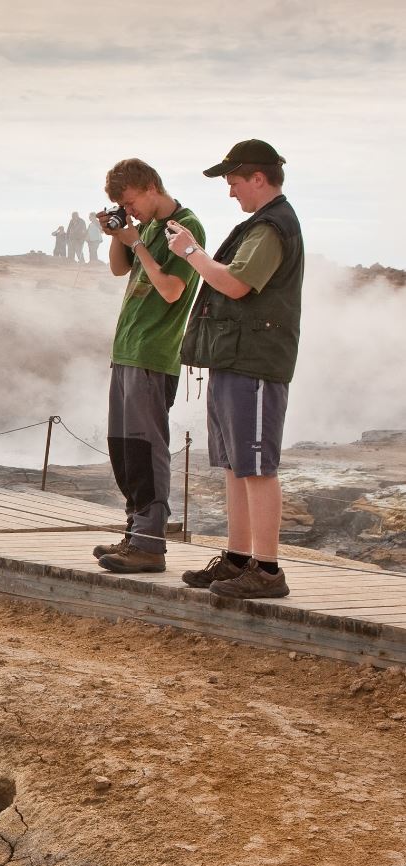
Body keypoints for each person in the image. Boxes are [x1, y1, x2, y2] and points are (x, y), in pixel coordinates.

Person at [168, 140, 304, 599]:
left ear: (258, 178)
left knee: (257, 466)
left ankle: (266, 571)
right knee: (234, 464)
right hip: (237, 358)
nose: (231, 193)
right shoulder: (262, 225)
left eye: (234, 182)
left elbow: (236, 284)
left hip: (256, 362)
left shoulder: (271, 227)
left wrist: (191, 251)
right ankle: (238, 559)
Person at [91, 159, 206, 575]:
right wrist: (118, 236)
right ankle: (136, 532)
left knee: (147, 447)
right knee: (124, 449)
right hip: (127, 351)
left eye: (130, 201)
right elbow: (120, 268)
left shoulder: (184, 225)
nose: (130, 210)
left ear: (150, 186)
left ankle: (150, 544)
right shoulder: (148, 228)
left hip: (154, 353)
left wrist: (137, 240)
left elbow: (173, 290)